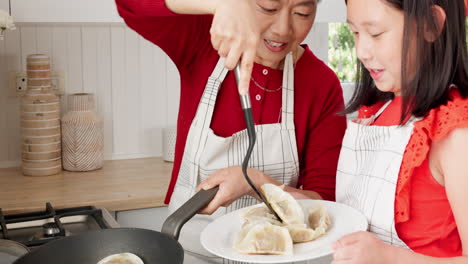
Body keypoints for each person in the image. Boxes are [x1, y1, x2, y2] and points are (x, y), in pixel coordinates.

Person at [115, 0, 346, 262]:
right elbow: (128, 5)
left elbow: (322, 203)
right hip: (188, 253)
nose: (283, 29)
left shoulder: (321, 84)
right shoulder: (204, 42)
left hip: (271, 256)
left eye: (302, 13)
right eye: (268, 8)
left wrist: (254, 181)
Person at [332, 0, 468, 263]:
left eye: (375, 33)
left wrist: (388, 258)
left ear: (430, 25)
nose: (361, 51)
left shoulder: (456, 133)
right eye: (355, 33)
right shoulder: (375, 112)